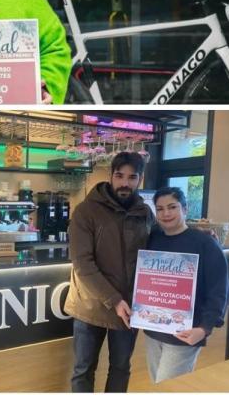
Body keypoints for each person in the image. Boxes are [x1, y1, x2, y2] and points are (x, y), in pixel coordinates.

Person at [65, 152, 155, 392]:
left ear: (140, 179)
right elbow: (82, 263)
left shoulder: (145, 213)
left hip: (130, 307)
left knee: (121, 367)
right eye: (119, 176)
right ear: (110, 176)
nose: (125, 183)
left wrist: (196, 234)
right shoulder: (86, 211)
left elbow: (158, 248)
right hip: (91, 304)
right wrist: (114, 300)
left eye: (132, 177)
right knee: (83, 369)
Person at [144, 187, 228, 383]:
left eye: (172, 207)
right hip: (153, 328)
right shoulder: (152, 239)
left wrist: (205, 327)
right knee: (157, 384)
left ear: (185, 209)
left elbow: (219, 290)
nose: (166, 213)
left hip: (186, 331)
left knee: (169, 385)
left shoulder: (205, 243)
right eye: (160, 209)